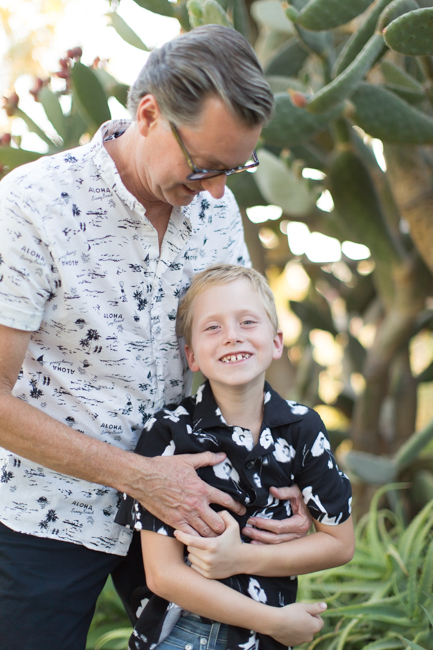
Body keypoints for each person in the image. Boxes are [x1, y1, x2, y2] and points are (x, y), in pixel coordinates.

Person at [0, 25, 313, 650]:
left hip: (187, 511)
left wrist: (289, 483)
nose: (220, 191)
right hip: (43, 514)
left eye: (236, 167)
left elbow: (238, 356)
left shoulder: (216, 208)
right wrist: (140, 477)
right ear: (149, 114)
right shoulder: (31, 204)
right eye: (204, 165)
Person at [115, 264, 355, 650]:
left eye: (247, 321)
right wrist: (276, 621)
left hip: (267, 641)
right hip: (183, 634)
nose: (231, 336)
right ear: (191, 356)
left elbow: (339, 544)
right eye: (213, 327)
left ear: (276, 342)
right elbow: (163, 575)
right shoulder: (168, 433)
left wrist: (239, 558)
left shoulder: (303, 428)